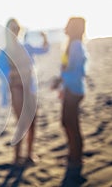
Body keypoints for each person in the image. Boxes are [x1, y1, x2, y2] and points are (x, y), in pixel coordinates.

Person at [0, 18, 49, 165]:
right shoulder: (4, 52)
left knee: (33, 121)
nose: (14, 31)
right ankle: (16, 157)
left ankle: (29, 154)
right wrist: (17, 72)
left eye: (16, 28)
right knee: (22, 122)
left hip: (30, 88)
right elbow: (1, 72)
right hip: (17, 89)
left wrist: (44, 37)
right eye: (12, 28)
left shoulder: (26, 46)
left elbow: (44, 50)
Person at [52, 17, 88, 186]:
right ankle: (72, 155)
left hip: (74, 90)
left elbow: (78, 72)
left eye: (68, 24)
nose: (65, 27)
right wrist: (61, 81)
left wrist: (61, 80)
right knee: (67, 123)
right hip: (70, 89)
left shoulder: (76, 46)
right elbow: (68, 69)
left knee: (71, 124)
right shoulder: (72, 44)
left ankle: (76, 159)